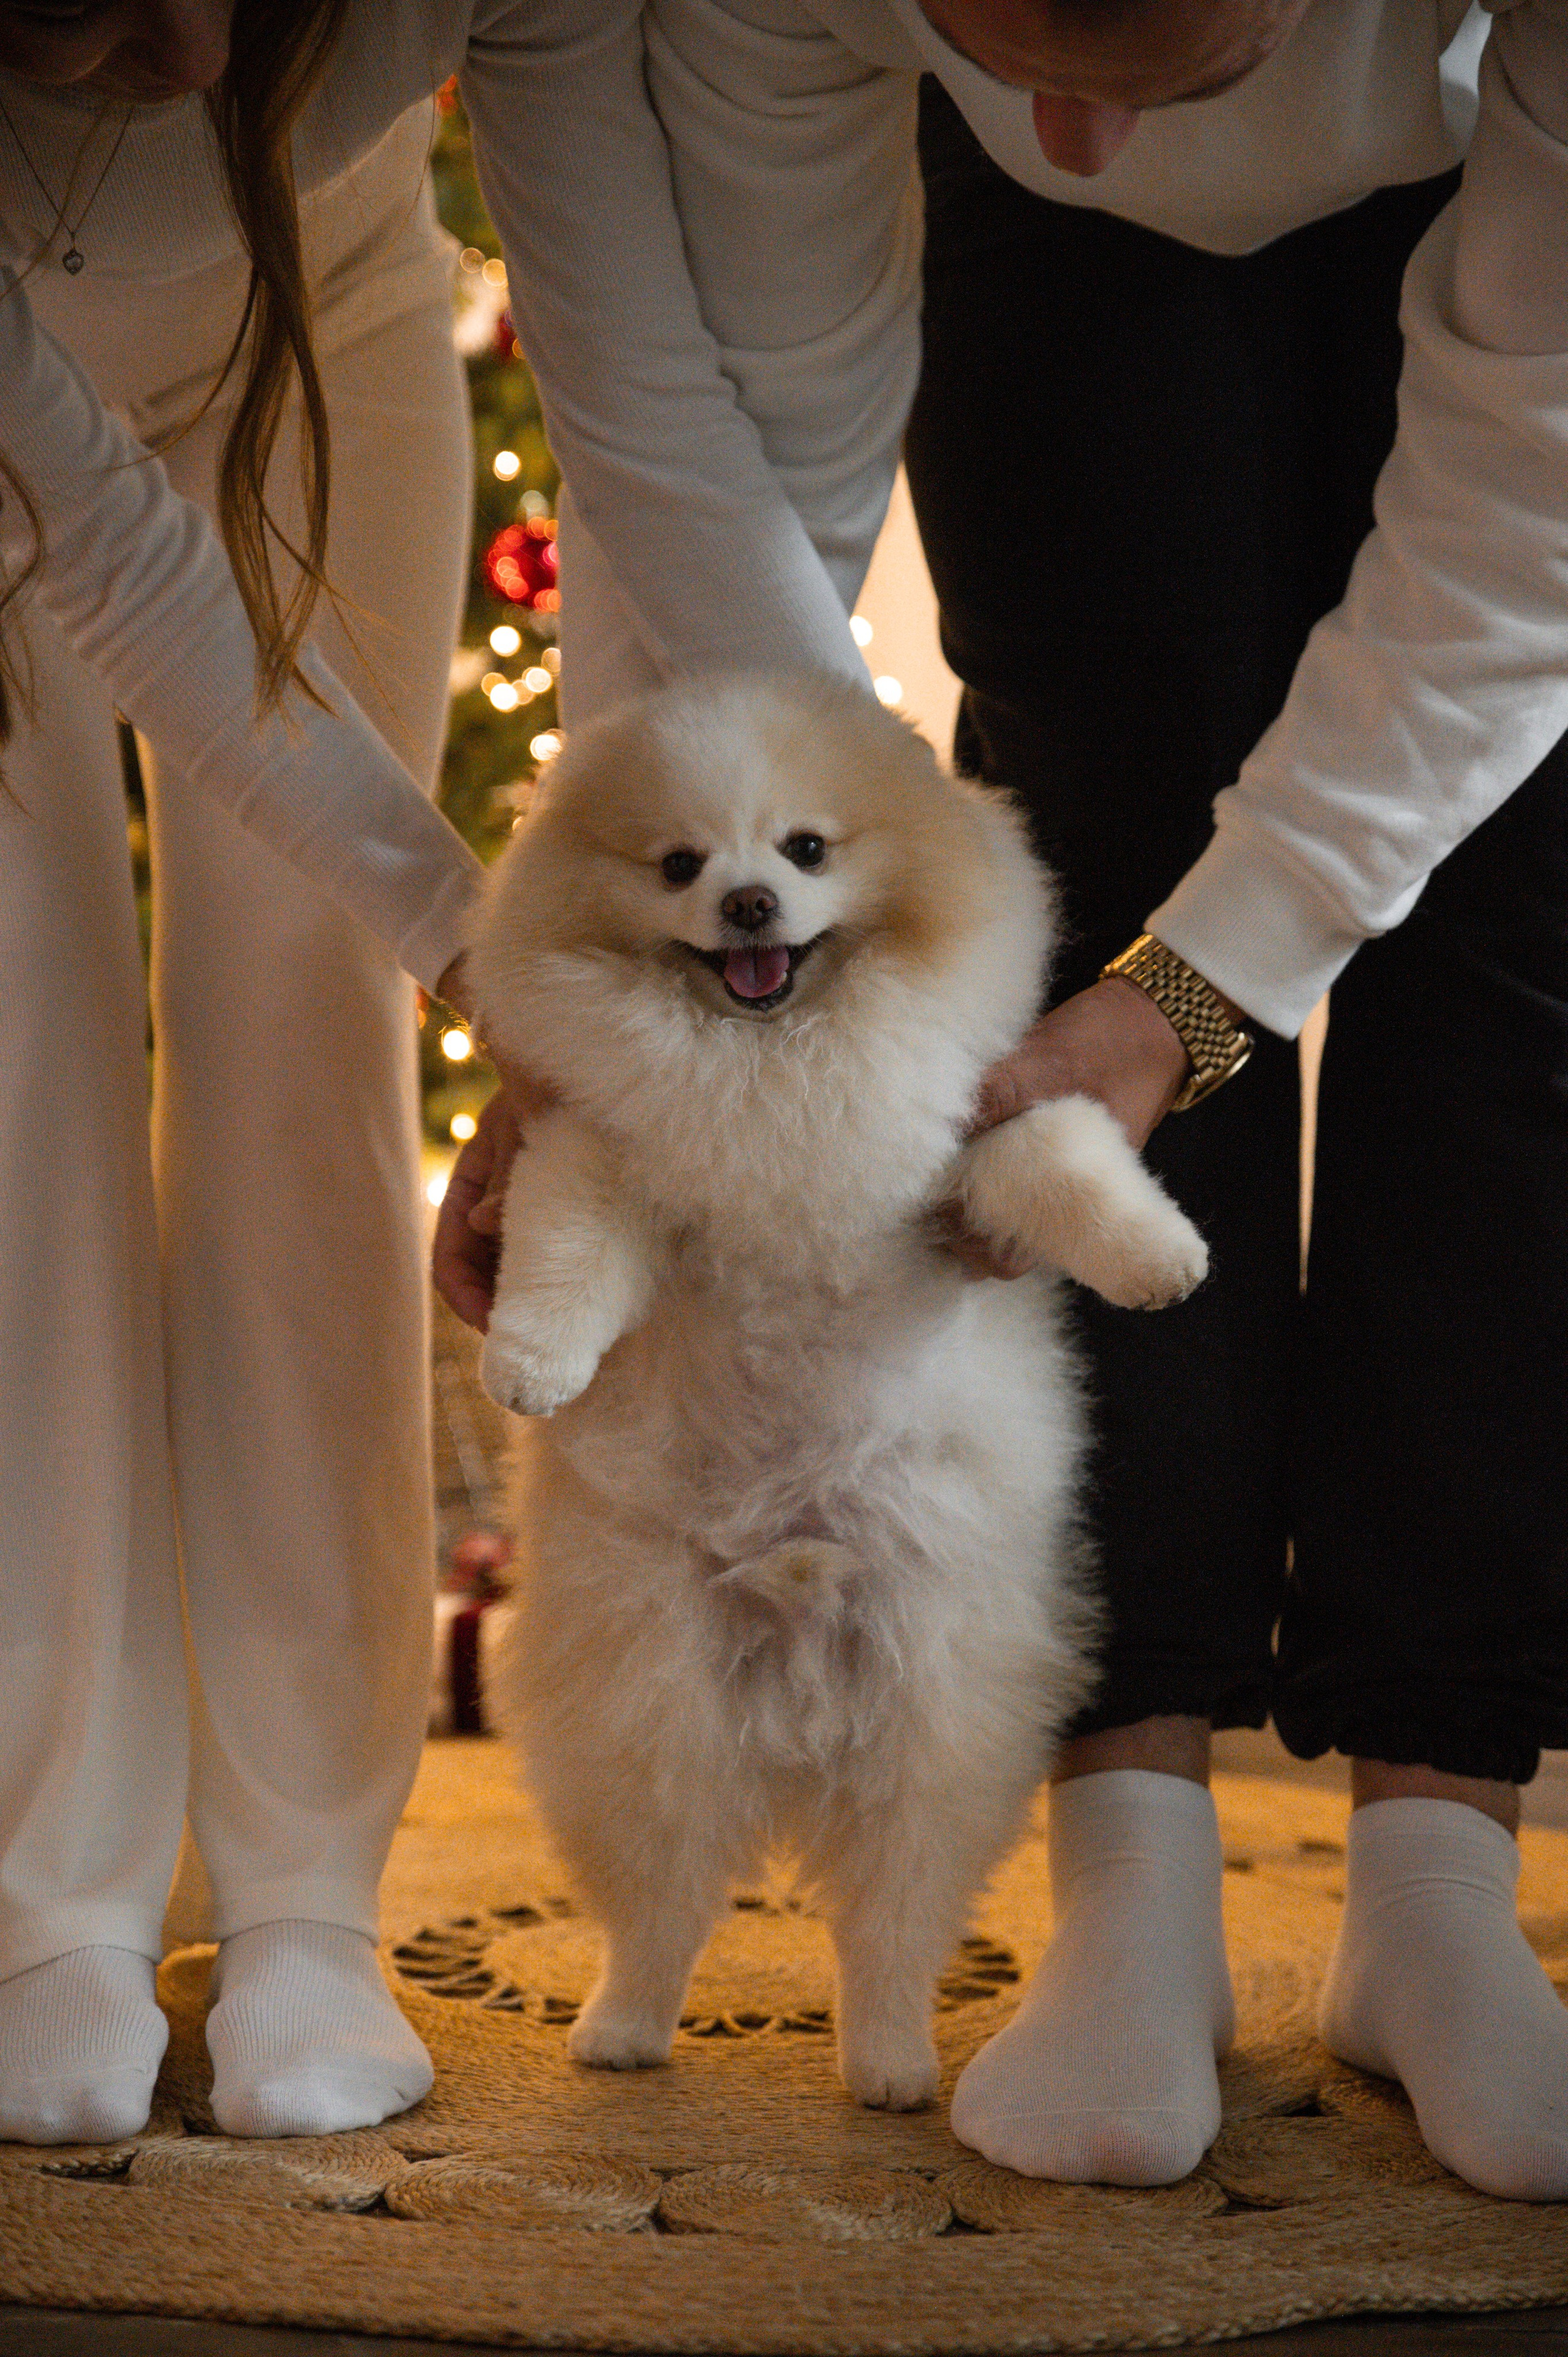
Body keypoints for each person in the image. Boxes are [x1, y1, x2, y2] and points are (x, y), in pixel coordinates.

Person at [434, 0, 1568, 2200]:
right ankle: (1128, 1861)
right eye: (1002, 38)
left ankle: (1445, 1868)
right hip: (1056, 305)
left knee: (1508, 961)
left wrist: (1200, 1002)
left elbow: (1521, 540)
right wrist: (643, 1011)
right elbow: (717, 468)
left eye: (1144, 58)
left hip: (1490, 202)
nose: (1065, 119)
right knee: (1087, 815)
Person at [0, 0, 682, 2146]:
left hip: (335, 328)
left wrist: (537, 952)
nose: (185, 61)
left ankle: (308, 1885)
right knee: (15, 1070)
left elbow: (646, 387)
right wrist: (482, 936)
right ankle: (54, 1896)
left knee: (310, 1029)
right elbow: (121, 571)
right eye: (78, 12)